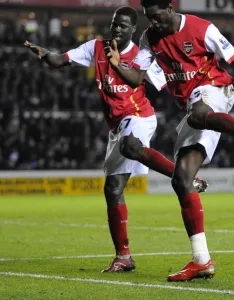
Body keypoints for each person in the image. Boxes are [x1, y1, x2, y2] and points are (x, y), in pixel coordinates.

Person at [105, 0, 234, 281]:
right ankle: (201, 260)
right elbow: (136, 79)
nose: (154, 23)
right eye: (149, 18)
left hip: (216, 90)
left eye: (158, 16)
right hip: (192, 105)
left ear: (170, 9)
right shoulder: (149, 38)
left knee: (199, 111)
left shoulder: (201, 28)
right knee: (181, 178)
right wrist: (116, 65)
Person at [24, 6, 208, 273]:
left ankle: (187, 178)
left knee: (130, 145)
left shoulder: (144, 55)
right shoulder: (96, 48)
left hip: (139, 117)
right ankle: (124, 257)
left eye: (123, 26)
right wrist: (43, 54)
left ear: (133, 30)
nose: (117, 29)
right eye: (114, 24)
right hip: (117, 124)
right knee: (112, 189)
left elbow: (168, 83)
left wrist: (199, 94)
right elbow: (60, 60)